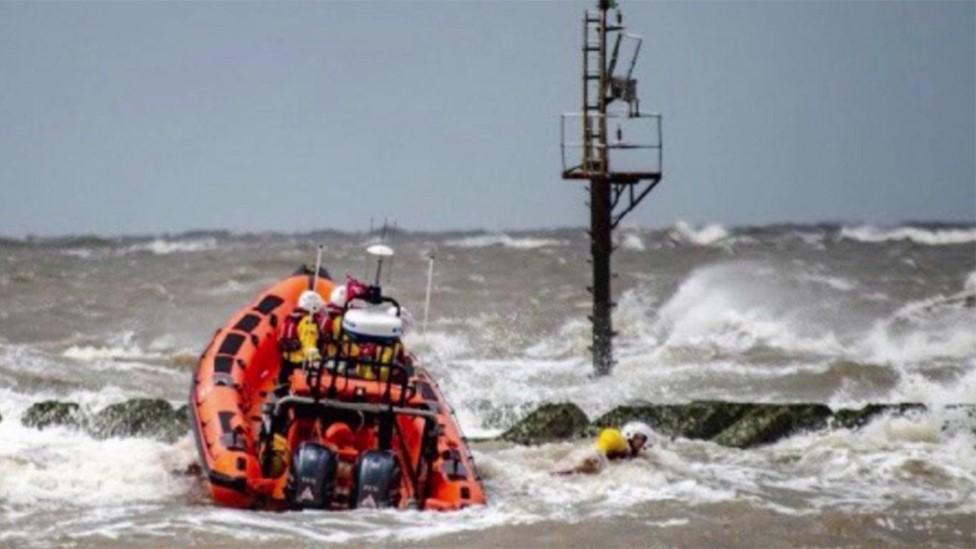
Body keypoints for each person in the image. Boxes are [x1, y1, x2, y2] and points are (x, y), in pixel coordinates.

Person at [556, 421, 655, 475]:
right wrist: (597, 458)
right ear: (632, 435)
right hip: (590, 459)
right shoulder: (621, 442)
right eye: (642, 440)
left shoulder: (628, 451)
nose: (643, 445)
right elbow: (607, 437)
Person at [277, 289, 328, 385]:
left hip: (287, 363)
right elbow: (309, 346)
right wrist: (318, 362)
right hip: (301, 365)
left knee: (283, 387)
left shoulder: (292, 318)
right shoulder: (308, 323)